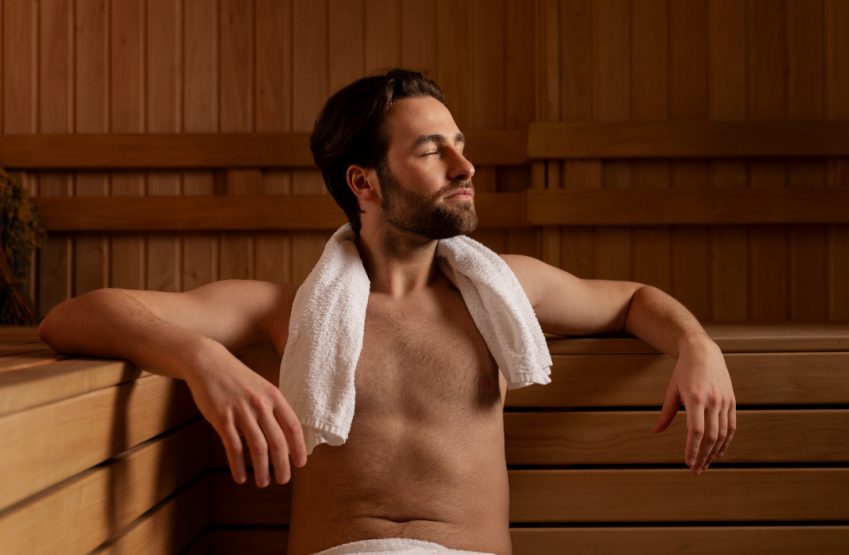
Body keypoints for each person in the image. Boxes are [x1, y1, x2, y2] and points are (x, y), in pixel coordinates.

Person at [39, 69, 736, 555]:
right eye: (433, 151)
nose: (465, 166)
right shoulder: (281, 312)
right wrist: (200, 357)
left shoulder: (501, 294)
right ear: (365, 183)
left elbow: (634, 300)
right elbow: (73, 317)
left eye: (460, 145)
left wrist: (697, 346)